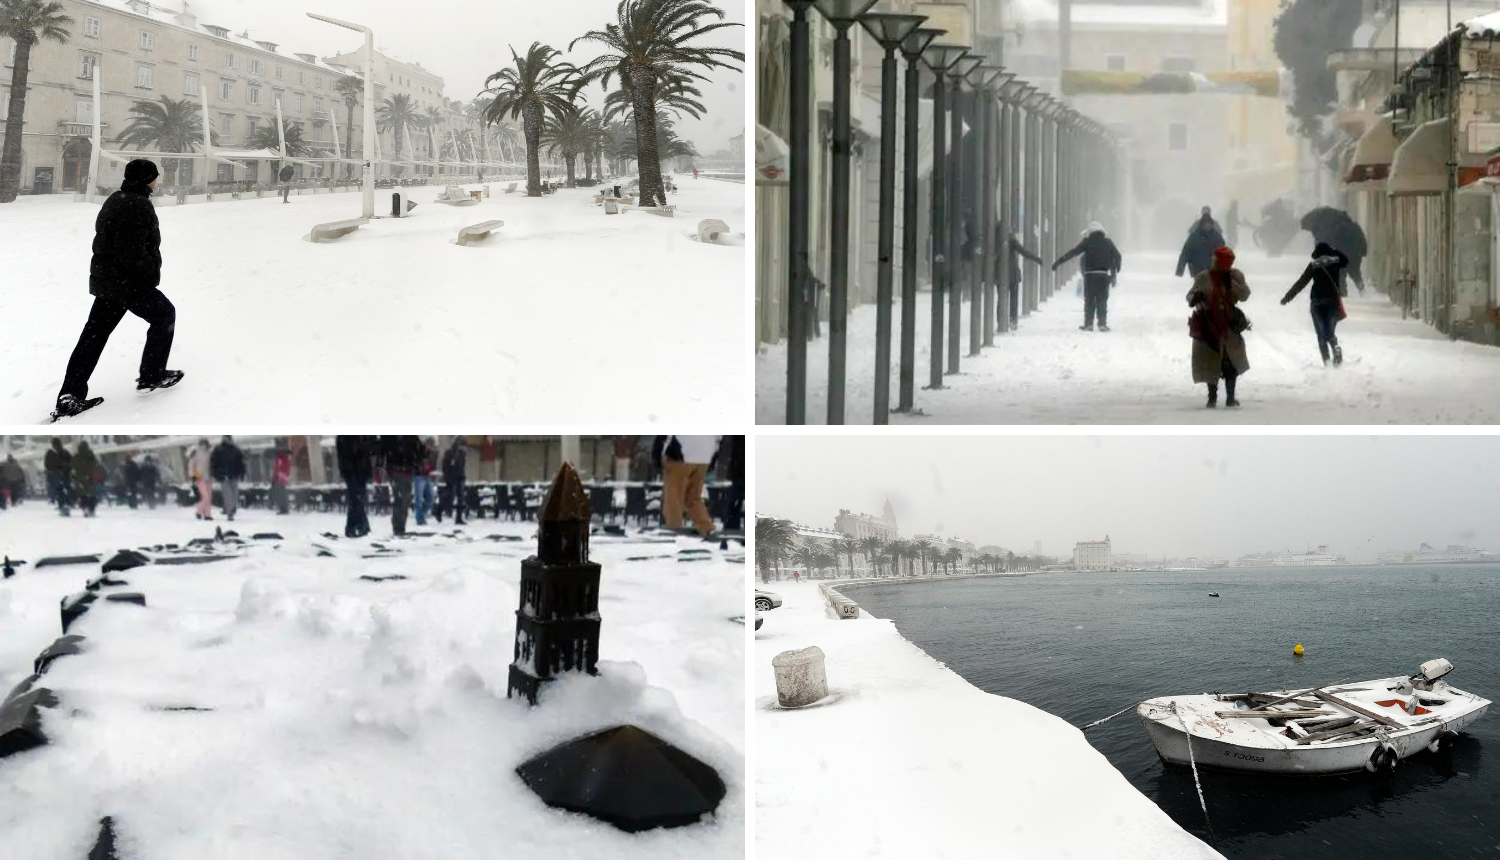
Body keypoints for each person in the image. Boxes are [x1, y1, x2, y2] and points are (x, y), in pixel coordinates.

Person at [55, 159, 183, 418]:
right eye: (154, 176)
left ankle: (70, 396)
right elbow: (130, 250)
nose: (157, 180)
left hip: (108, 282)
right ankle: (152, 375)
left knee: (93, 338)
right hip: (128, 283)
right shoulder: (137, 204)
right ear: (147, 178)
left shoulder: (117, 198)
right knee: (164, 314)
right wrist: (149, 271)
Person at [1188, 246, 1252, 409]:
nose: (1224, 266)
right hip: (1209, 326)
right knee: (1211, 362)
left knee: (1231, 363)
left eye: (1227, 263)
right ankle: (1212, 397)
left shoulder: (1235, 276)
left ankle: (1230, 397)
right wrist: (1196, 297)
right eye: (1221, 262)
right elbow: (1189, 296)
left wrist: (1232, 284)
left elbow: (1245, 295)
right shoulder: (1203, 277)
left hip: (1229, 326)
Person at [1282, 243, 1349, 367]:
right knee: (1329, 330)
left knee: (1320, 333)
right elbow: (1346, 260)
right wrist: (1335, 249)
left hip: (1317, 303)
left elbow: (1301, 283)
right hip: (1333, 302)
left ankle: (1327, 362)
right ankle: (1336, 346)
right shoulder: (1335, 262)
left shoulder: (1314, 265)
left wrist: (1288, 297)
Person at [1052, 222, 1122, 332]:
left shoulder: (1087, 242)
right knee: (1102, 300)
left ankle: (1088, 324)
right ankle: (1102, 323)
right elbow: (1118, 256)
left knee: (1089, 300)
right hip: (1103, 276)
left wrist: (1058, 262)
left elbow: (1073, 252)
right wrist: (1116, 270)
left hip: (1090, 276)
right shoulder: (1108, 242)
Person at [653, 435, 722, 536]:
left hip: (679, 455)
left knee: (674, 496)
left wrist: (657, 454)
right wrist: (713, 457)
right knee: (693, 497)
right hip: (704, 457)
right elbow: (719, 438)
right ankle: (706, 527)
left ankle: (674, 529)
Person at [381, 436, 423, 536]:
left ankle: (400, 525)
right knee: (400, 498)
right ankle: (398, 527)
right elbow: (383, 449)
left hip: (407, 470)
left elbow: (418, 450)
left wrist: (417, 463)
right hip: (396, 469)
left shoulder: (411, 436)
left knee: (406, 499)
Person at [1004, 232, 1045, 330]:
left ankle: (1001, 321)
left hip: (1001, 274)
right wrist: (1037, 259)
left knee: (1002, 299)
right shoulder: (1011, 241)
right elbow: (1024, 252)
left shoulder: (995, 239)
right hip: (1012, 274)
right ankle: (1013, 321)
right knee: (1013, 299)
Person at [336, 436, 375, 538]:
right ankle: (358, 526)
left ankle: (354, 527)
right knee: (356, 499)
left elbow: (367, 452)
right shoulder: (346, 437)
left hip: (360, 471)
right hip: (352, 471)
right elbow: (346, 454)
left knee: (357, 499)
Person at [1176, 208, 1227, 280]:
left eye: (1208, 224)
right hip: (1197, 268)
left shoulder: (1216, 235)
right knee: (1201, 285)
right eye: (1205, 224)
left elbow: (1223, 251)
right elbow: (1185, 252)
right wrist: (1180, 270)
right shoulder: (1195, 236)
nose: (1207, 226)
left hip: (1209, 267)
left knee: (1207, 286)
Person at [210, 436, 246, 522]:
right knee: (228, 495)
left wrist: (242, 473)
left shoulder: (235, 449)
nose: (228, 440)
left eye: (229, 439)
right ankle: (230, 513)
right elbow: (213, 463)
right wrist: (217, 474)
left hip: (234, 475)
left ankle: (231, 508)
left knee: (235, 495)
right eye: (226, 439)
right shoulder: (218, 449)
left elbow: (241, 462)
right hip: (224, 476)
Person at [441, 438, 467, 526]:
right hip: (452, 478)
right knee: (449, 497)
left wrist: (463, 476)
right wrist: (447, 477)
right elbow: (445, 466)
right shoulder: (449, 453)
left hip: (460, 477)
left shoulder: (462, 453)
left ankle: (458, 518)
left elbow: (462, 466)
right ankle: (438, 510)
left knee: (460, 498)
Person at [72, 440, 102, 517]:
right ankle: (91, 509)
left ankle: (85, 508)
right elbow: (96, 466)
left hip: (80, 479)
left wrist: (74, 477)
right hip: (90, 478)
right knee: (92, 495)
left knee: (82, 495)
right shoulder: (91, 456)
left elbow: (72, 467)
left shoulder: (76, 457)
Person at [44, 438, 72, 515]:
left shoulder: (50, 453)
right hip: (64, 475)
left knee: (59, 491)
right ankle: (65, 505)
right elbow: (70, 463)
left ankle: (62, 506)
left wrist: (51, 470)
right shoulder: (65, 452)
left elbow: (47, 465)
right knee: (65, 490)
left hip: (55, 476)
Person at [188, 438, 213, 520]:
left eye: (205, 444)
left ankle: (207, 515)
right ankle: (199, 511)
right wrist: (192, 475)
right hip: (199, 476)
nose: (203, 446)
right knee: (205, 496)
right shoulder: (196, 453)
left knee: (208, 497)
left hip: (208, 477)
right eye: (202, 444)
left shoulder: (209, 453)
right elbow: (191, 464)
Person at [413, 439, 436, 527]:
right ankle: (420, 519)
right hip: (419, 476)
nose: (431, 448)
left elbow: (432, 465)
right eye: (430, 445)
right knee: (418, 499)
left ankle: (421, 515)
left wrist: (430, 467)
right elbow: (415, 462)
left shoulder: (431, 454)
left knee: (430, 498)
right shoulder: (419, 451)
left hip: (427, 476)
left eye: (432, 446)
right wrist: (420, 467)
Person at [270, 448, 292, 515]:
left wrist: (275, 477)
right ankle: (284, 508)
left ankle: (283, 509)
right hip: (282, 478)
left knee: (281, 494)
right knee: (282, 494)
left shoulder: (280, 459)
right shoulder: (284, 459)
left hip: (280, 478)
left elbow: (278, 469)